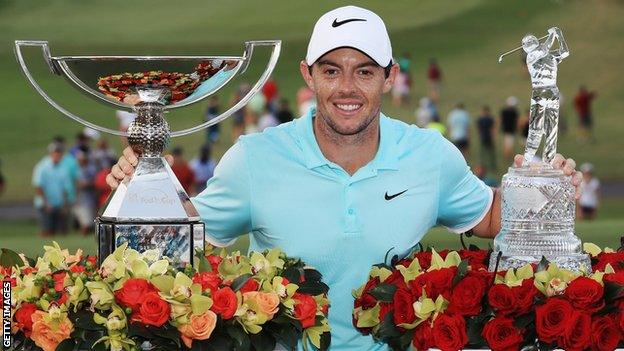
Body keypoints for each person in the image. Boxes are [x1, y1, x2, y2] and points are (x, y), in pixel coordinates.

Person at [107, 6, 582, 350]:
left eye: (365, 71)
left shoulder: (429, 154)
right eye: (331, 71)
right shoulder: (255, 157)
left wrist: (546, 190)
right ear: (308, 75)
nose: (348, 88)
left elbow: (492, 217)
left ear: (390, 77)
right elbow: (182, 239)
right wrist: (141, 188)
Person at [522, 27, 569, 164]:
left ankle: (547, 162)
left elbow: (565, 52)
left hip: (550, 93)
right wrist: (553, 35)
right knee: (536, 128)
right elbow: (543, 49)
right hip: (541, 94)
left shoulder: (549, 56)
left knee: (551, 130)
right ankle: (528, 159)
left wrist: (559, 35)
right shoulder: (531, 57)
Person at [33, 143, 75, 236]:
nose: (57, 155)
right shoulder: (42, 167)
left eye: (59, 153)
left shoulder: (64, 168)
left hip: (59, 205)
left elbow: (66, 188)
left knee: (61, 232)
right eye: (55, 152)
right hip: (45, 205)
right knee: (46, 231)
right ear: (50, 153)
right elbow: (38, 186)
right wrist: (46, 203)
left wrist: (64, 205)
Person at [73, 151, 97, 235]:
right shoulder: (77, 169)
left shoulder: (90, 169)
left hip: (88, 199)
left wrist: (85, 184)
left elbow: (94, 182)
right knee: (84, 220)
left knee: (88, 221)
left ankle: (84, 235)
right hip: (80, 199)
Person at [476, 105, 496, 171]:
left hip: (485, 137)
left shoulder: (481, 119)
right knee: (488, 153)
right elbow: (492, 129)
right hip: (486, 137)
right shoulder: (489, 119)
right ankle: (489, 166)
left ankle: (487, 166)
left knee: (486, 153)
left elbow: (479, 129)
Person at [500, 96, 519, 161]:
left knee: (507, 144)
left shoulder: (504, 111)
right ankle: (508, 157)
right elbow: (516, 122)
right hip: (511, 131)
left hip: (506, 130)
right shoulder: (515, 112)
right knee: (509, 145)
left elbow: (501, 120)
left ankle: (507, 157)